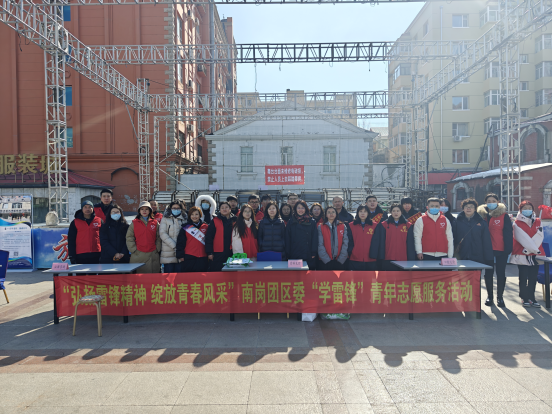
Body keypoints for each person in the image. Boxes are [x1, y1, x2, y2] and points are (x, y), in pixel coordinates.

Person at [477, 193, 514, 307]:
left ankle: (500, 297)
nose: (491, 203)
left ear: (498, 202)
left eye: (494, 201)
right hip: (487, 249)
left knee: (500, 273)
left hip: (501, 249)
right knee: (488, 273)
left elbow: (508, 233)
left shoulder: (504, 216)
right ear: (485, 203)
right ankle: (490, 297)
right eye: (489, 201)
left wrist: (508, 248)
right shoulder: (481, 216)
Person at [510, 201, 544, 308]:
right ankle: (524, 297)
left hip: (535, 254)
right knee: (523, 277)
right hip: (521, 253)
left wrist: (532, 249)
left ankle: (532, 298)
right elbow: (521, 238)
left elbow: (539, 236)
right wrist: (531, 249)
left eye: (529, 208)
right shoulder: (517, 222)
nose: (527, 210)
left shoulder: (538, 221)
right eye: (525, 208)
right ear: (520, 210)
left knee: (533, 277)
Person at [370, 203, 416, 270]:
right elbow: (381, 242)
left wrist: (411, 259)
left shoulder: (408, 225)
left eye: (398, 211)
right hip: (388, 258)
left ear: (401, 212)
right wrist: (381, 257)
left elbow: (410, 243)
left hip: (403, 258)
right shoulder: (384, 225)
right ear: (390, 212)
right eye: (394, 211)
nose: (396, 213)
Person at [454, 198, 494, 267]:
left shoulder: (482, 222)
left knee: (476, 274)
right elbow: (453, 239)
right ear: (463, 209)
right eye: (466, 206)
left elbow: (486, 241)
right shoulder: (457, 222)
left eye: (471, 207)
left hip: (477, 256)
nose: (468, 208)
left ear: (475, 209)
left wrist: (488, 258)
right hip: (461, 256)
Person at [126, 201, 162, 273]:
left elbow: (159, 236)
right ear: (139, 211)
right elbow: (129, 237)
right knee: (138, 276)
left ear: (150, 210)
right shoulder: (134, 223)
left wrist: (157, 248)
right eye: (142, 209)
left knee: (152, 276)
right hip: (138, 254)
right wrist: (133, 249)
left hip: (152, 254)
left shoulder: (155, 223)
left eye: (146, 209)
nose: (144, 211)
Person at [286, 200, 318, 270]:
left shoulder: (311, 221)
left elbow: (315, 238)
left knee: (308, 274)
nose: (300, 210)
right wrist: (287, 253)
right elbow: (287, 238)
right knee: (295, 274)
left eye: (302, 208)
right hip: (294, 253)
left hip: (308, 253)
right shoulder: (291, 221)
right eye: (298, 208)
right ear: (295, 209)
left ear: (306, 209)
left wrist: (313, 252)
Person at [205, 201, 237, 271]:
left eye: (226, 207)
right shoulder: (215, 221)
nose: (224, 209)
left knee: (231, 272)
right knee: (217, 272)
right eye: (222, 208)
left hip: (232, 251)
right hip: (218, 253)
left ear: (230, 209)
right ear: (219, 210)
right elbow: (209, 237)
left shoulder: (235, 220)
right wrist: (209, 252)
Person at [68, 200, 102, 264]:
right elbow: (71, 240)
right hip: (80, 254)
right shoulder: (75, 222)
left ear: (93, 208)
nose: (87, 209)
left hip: (96, 253)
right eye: (85, 207)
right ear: (82, 209)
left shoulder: (99, 220)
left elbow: (104, 237)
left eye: (89, 207)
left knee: (95, 270)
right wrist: (72, 255)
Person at [176, 206, 209, 272]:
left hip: (203, 257)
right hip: (189, 256)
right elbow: (180, 242)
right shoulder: (186, 227)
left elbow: (209, 241)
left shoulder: (206, 226)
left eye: (196, 214)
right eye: (192, 214)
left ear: (200, 215)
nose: (194, 216)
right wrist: (180, 255)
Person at [159, 200, 187, 273]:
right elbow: (162, 233)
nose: (176, 210)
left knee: (179, 277)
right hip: (168, 252)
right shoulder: (165, 218)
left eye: (178, 208)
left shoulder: (185, 219)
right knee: (168, 277)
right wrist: (174, 246)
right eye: (174, 208)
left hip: (181, 252)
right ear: (170, 208)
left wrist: (180, 247)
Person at [317, 206, 349, 270]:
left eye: (333, 212)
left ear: (336, 214)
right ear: (326, 215)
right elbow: (320, 244)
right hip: (325, 261)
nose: (331, 214)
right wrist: (326, 259)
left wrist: (341, 258)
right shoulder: (321, 227)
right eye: (329, 212)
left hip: (340, 261)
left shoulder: (342, 226)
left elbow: (346, 243)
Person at [347, 205, 378, 271]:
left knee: (369, 277)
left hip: (371, 259)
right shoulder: (351, 225)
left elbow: (377, 242)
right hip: (354, 258)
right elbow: (348, 241)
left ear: (368, 213)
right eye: (360, 211)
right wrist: (351, 252)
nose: (362, 213)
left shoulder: (375, 225)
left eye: (365, 211)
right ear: (357, 213)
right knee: (356, 277)